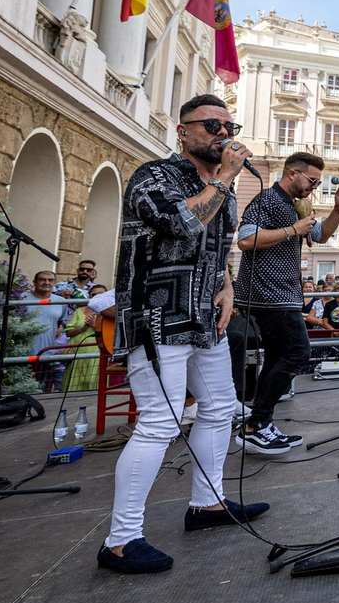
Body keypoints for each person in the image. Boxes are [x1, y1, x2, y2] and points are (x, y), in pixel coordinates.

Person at [100, 95, 267, 574]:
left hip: (204, 319)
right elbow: (181, 223)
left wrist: (228, 285)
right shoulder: (154, 176)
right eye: (211, 125)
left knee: (220, 407)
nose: (223, 133)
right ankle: (120, 540)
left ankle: (207, 503)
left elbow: (218, 246)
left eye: (228, 126)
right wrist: (225, 178)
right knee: (159, 422)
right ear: (183, 131)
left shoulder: (221, 189)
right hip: (157, 316)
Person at [234, 151, 339, 456]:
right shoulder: (267, 200)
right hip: (268, 294)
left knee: (277, 357)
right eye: (312, 180)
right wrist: (292, 231)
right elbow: (245, 240)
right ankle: (256, 425)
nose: (315, 186)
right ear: (292, 174)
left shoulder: (296, 205)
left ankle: (259, 424)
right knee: (298, 351)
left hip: (284, 294)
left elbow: (320, 235)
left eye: (318, 182)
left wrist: (338, 210)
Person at [25, 269, 70, 390]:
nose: (46, 283)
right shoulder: (22, 299)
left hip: (46, 355)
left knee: (42, 391)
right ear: (34, 282)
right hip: (23, 354)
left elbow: (58, 323)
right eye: (42, 280)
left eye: (50, 280)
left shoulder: (61, 301)